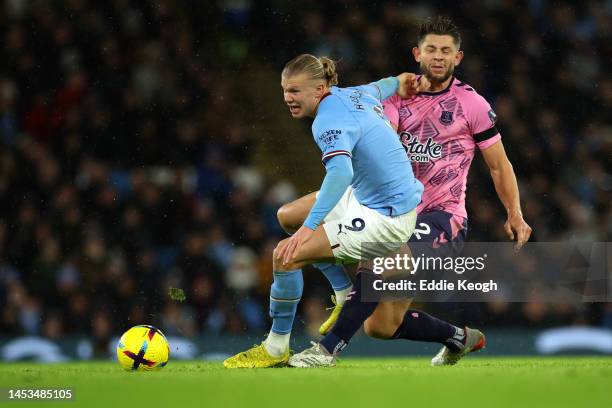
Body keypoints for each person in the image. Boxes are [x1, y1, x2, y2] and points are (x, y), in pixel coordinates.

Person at [288, 16, 532, 368]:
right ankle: (459, 337)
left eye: (446, 51)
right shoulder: (396, 99)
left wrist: (515, 214)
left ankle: (325, 350)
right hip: (387, 209)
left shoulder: (471, 104)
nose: (438, 57)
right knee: (381, 326)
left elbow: (499, 165)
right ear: (417, 53)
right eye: (431, 49)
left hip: (441, 218)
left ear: (457, 58)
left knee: (379, 264)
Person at [223, 54, 424, 368]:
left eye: (295, 91)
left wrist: (309, 229)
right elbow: (389, 84)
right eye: (285, 90)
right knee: (287, 216)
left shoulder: (326, 121)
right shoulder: (356, 93)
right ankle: (343, 291)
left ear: (319, 89)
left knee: (285, 255)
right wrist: (404, 81)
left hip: (385, 217)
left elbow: (340, 173)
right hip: (368, 196)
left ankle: (275, 348)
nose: (288, 98)